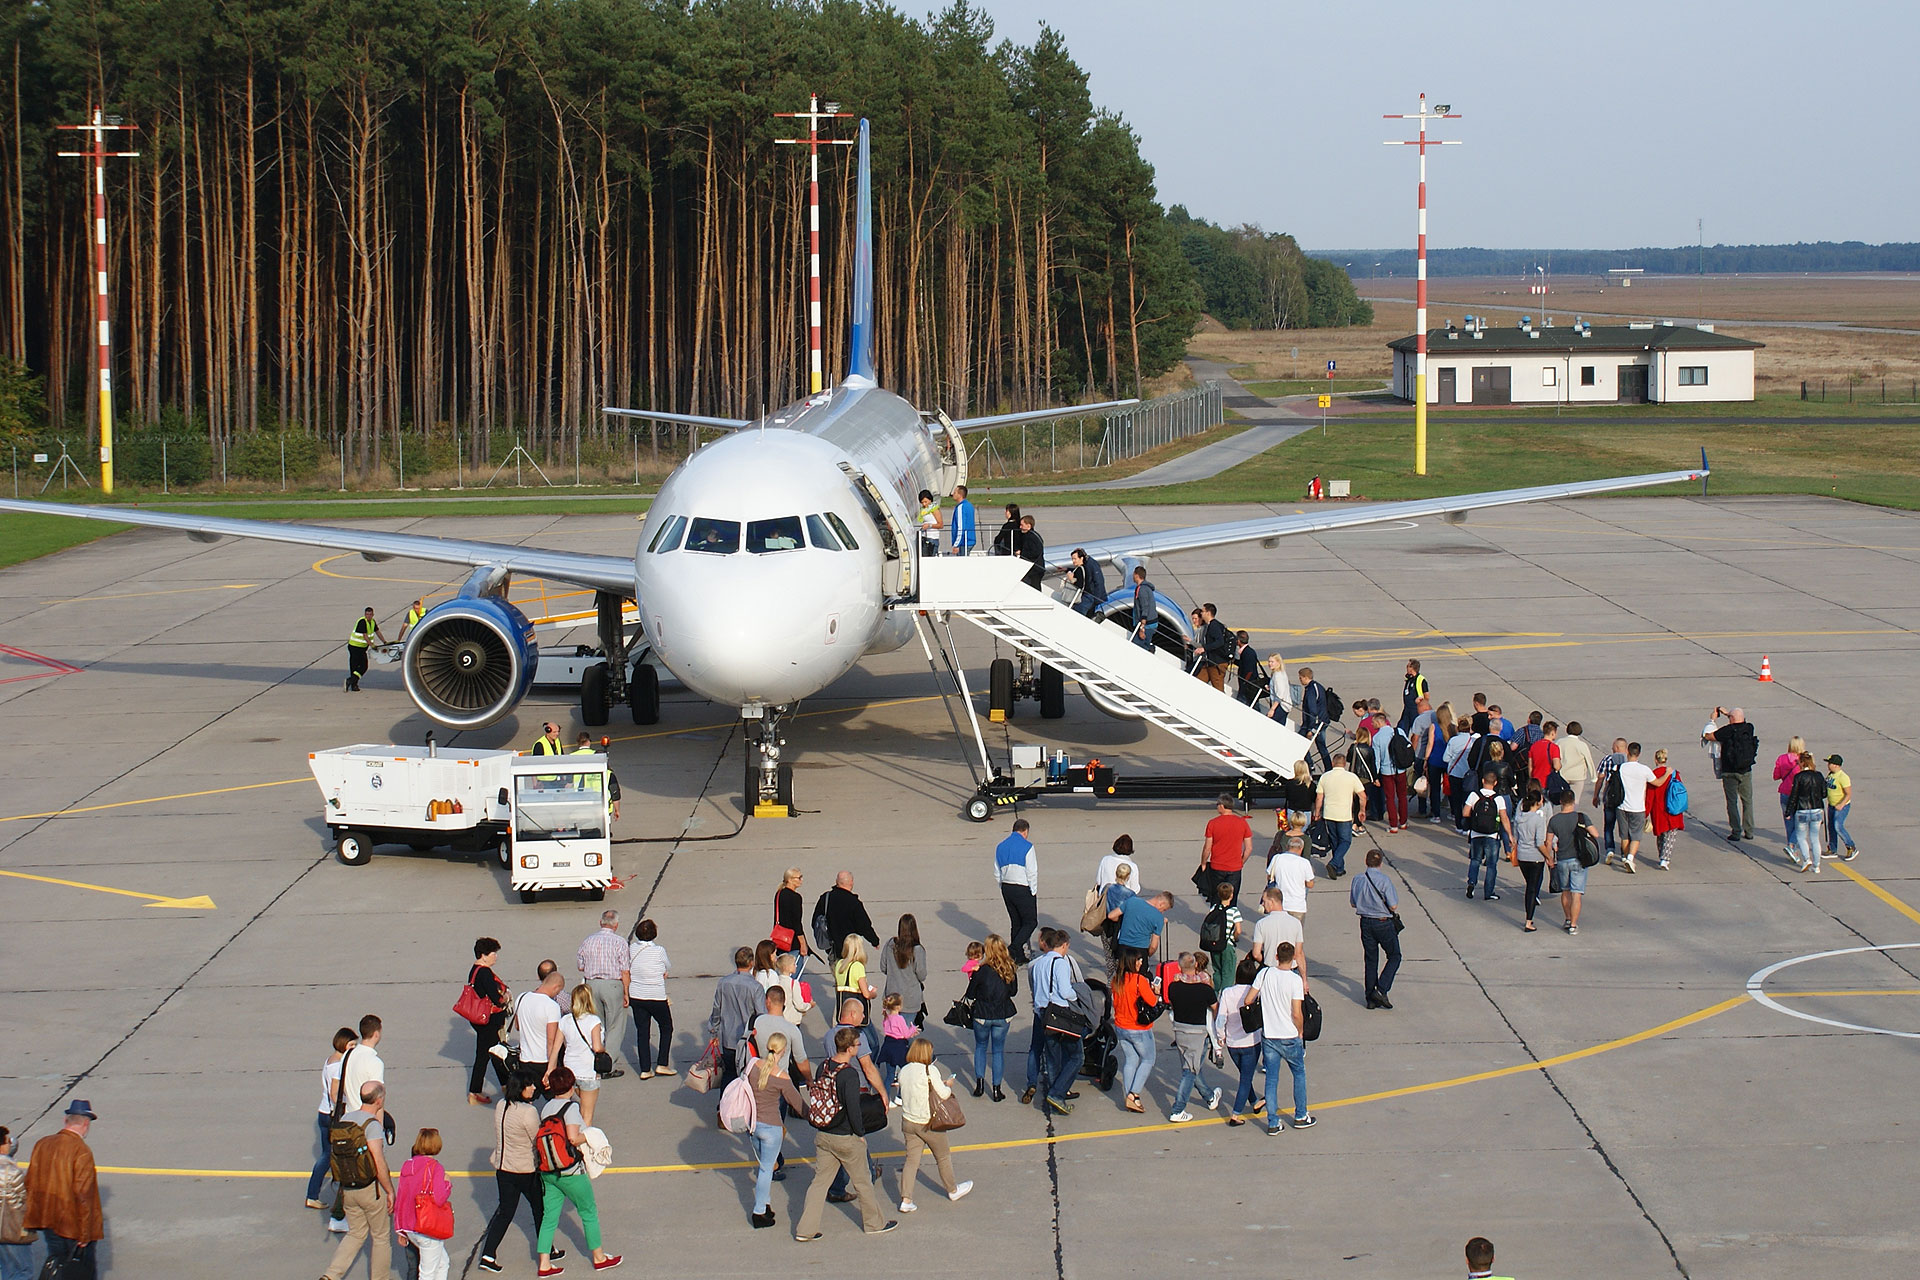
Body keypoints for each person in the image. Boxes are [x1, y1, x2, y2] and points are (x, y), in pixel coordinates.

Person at [793, 1028, 898, 1241]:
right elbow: (853, 1108)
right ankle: (874, 1223)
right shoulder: (848, 1074)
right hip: (844, 1136)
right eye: (857, 1046)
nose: (858, 1049)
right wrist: (859, 1134)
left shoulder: (823, 1066)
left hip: (824, 1134)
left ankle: (805, 1229)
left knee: (820, 1182)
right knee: (863, 1182)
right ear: (849, 1048)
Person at [533, 1068, 620, 1273]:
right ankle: (599, 1257)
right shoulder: (571, 1108)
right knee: (588, 1212)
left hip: (548, 1172)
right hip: (570, 1171)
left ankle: (544, 1263)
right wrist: (591, 1135)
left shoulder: (546, 1108)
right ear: (571, 1087)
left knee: (549, 1217)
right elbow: (573, 1138)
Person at [477, 1072, 558, 1274]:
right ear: (520, 1088)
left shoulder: (500, 1106)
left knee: (505, 1212)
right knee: (540, 1209)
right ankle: (546, 1250)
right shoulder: (528, 1112)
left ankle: (488, 1254)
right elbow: (536, 1139)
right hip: (525, 1170)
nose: (533, 1088)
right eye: (529, 1085)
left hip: (504, 1168)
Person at [321, 1083, 393, 1280]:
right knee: (380, 1237)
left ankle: (331, 1275)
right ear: (379, 1100)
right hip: (370, 1189)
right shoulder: (372, 1125)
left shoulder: (346, 1119)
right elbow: (378, 1161)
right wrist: (390, 1191)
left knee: (356, 1233)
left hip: (347, 1188)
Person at [23, 1101, 102, 1280]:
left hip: (48, 1221)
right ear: (86, 1123)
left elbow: (30, 1183)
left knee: (58, 1265)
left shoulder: (43, 1143)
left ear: (65, 1120)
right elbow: (83, 1195)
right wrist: (85, 1234)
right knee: (80, 1271)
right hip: (73, 1224)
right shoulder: (81, 1150)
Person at [896, 1039, 973, 1213]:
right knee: (943, 1157)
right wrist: (948, 1085)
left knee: (911, 1161)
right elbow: (944, 1095)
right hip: (928, 1123)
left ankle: (906, 1199)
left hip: (908, 1122)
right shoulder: (930, 1070)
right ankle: (952, 1190)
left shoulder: (904, 1070)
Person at [1244, 943, 1313, 1135]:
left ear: (1276, 956)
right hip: (1289, 1034)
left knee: (1271, 1080)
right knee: (1298, 1074)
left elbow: (1248, 1000)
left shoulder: (1265, 975)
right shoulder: (1294, 980)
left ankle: (1273, 1122)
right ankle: (1300, 1115)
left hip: (1270, 1035)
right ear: (1292, 960)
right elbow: (1297, 1012)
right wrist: (1300, 1031)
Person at [745, 1031, 809, 1230]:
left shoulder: (752, 1065)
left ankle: (765, 1205)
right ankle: (759, 1212)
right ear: (783, 1051)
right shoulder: (782, 1077)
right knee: (766, 1170)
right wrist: (815, 1117)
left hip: (752, 1126)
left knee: (764, 1167)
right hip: (771, 1128)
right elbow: (798, 1104)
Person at [1020, 929, 1083, 1115]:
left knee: (1052, 1056)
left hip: (1042, 1013)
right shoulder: (1061, 963)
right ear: (1063, 945)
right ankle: (1057, 1093)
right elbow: (1065, 991)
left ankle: (1055, 1094)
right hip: (1059, 1014)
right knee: (1076, 1056)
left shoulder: (1037, 963)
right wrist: (1076, 995)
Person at [1165, 951, 1223, 1122]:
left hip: (1180, 1031)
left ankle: (1210, 1097)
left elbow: (1172, 1004)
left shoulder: (1173, 987)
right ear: (1195, 965)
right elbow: (1215, 1007)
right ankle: (1178, 1109)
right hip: (1198, 1034)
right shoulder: (1204, 989)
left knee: (1191, 1068)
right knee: (1190, 1072)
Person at [576, 910, 630, 1078]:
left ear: (601, 922)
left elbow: (580, 966)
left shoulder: (588, 941)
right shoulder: (620, 942)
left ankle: (595, 1060)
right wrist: (626, 993)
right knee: (615, 1026)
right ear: (616, 925)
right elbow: (625, 971)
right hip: (612, 985)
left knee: (596, 1024)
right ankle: (609, 1065)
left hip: (591, 985)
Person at [308, 1026, 357, 1210]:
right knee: (330, 1156)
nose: (354, 1048)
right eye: (352, 1044)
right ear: (344, 1044)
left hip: (323, 1112)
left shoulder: (330, 1060)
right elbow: (335, 1092)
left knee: (327, 1154)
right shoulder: (339, 1065)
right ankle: (315, 1194)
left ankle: (316, 1193)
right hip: (332, 1115)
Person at [394, 1129, 453, 1280]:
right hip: (426, 1227)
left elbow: (401, 1198)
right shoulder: (436, 1167)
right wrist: (447, 1183)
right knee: (428, 1272)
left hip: (409, 1227)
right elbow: (439, 1198)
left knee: (442, 1263)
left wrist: (400, 1230)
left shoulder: (407, 1165)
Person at [1215, 955, 1264, 1125]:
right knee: (1245, 1078)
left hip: (1233, 1043)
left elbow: (1221, 1018)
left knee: (1245, 1075)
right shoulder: (1255, 992)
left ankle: (1255, 1101)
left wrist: (1220, 1037)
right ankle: (1235, 1114)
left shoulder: (1227, 992)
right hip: (1251, 1042)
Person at [1350, 850, 1402, 1007]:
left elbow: (1353, 903)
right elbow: (1393, 905)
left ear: (1366, 862)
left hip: (1366, 922)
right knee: (1394, 955)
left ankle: (1370, 998)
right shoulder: (1384, 880)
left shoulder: (1358, 879)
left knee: (1371, 959)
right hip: (1383, 922)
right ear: (1381, 863)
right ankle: (1381, 989)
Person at [1111, 953, 1158, 1114]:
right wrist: (1155, 991)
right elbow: (1152, 1001)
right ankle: (1134, 1094)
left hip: (1121, 1026)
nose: (1140, 962)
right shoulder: (1139, 980)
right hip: (1138, 1028)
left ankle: (1128, 1096)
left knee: (1131, 1060)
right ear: (1132, 962)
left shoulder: (1116, 980)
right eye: (1138, 960)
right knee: (1148, 1059)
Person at [626, 919, 674, 1079]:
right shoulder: (659, 950)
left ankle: (645, 1069)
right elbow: (667, 966)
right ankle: (662, 1063)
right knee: (666, 1027)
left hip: (637, 995)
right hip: (656, 995)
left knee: (642, 1032)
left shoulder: (632, 948)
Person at [1704, 707, 1759, 842]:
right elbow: (1739, 719)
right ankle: (1749, 830)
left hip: (1729, 772)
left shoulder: (1727, 731)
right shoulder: (1749, 728)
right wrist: (1730, 713)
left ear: (1731, 719)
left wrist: (1712, 719)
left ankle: (1736, 831)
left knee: (1732, 802)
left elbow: (1708, 736)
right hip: (1746, 771)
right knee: (1747, 801)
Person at [711, 946, 764, 1086]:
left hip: (728, 1038)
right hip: (747, 1040)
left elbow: (716, 1009)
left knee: (728, 1074)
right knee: (747, 1077)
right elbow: (761, 1015)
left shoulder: (724, 982)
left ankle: (724, 1105)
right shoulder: (755, 987)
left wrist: (714, 1031)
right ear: (751, 963)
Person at [467, 939, 510, 1106]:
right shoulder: (484, 972)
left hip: (480, 1020)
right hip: (488, 1021)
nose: (496, 957)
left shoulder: (475, 970)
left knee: (493, 1052)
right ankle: (475, 1091)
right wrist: (505, 997)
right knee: (487, 1055)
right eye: (493, 953)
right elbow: (496, 998)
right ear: (484, 955)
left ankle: (505, 1083)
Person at [1545, 790, 1595, 935]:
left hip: (1562, 859)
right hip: (1578, 860)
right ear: (1573, 802)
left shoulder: (1554, 820)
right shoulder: (1581, 817)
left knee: (1565, 891)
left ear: (1561, 802)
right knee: (1576, 893)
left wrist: (1548, 858)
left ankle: (1567, 919)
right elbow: (1595, 833)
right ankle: (1573, 924)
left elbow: (1548, 841)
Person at [1312, 752, 1366, 879]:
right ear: (1345, 764)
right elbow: (1362, 796)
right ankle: (1334, 863)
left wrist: (1317, 812)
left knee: (1335, 841)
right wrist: (1361, 810)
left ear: (1332, 763)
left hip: (1329, 814)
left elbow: (1319, 798)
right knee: (1346, 841)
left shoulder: (1325, 777)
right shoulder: (1351, 777)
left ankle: (1339, 868)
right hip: (1344, 815)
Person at [560, 984, 609, 1126]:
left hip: (570, 1068)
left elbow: (559, 1045)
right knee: (586, 1113)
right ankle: (582, 1143)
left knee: (576, 1107)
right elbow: (597, 1047)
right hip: (588, 1070)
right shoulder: (593, 1021)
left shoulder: (565, 1020)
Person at [994, 818, 1040, 963]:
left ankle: (1018, 957)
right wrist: (1033, 890)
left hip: (1007, 887)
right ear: (1025, 831)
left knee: (1016, 922)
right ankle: (1013, 948)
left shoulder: (1000, 846)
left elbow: (996, 871)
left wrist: (1002, 886)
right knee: (1030, 922)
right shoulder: (1027, 846)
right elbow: (1032, 871)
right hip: (1022, 887)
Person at [1464, 769, 1512, 901]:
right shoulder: (1498, 799)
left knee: (1475, 860)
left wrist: (1475, 819)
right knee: (1491, 865)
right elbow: (1504, 818)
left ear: (1483, 781)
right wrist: (1510, 836)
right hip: (1492, 835)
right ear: (1495, 783)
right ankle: (1488, 892)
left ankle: (1471, 883)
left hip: (1476, 834)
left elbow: (1465, 812)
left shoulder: (1474, 795)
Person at [515, 964, 566, 1087]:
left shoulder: (521, 997)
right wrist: (551, 1067)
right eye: (558, 991)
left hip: (525, 1058)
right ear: (555, 987)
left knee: (528, 1096)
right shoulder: (551, 1006)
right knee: (555, 1097)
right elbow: (551, 1040)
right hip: (543, 1060)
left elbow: (518, 1026)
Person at [1611, 742, 1657, 874]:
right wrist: (1667, 774)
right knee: (1636, 835)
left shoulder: (1620, 768)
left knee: (1624, 835)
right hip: (1637, 807)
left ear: (1627, 752)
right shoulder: (1644, 769)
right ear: (1639, 754)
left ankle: (1625, 857)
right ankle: (1630, 858)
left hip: (1622, 806)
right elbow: (1656, 783)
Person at [1199, 794, 1254, 904]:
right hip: (1235, 867)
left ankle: (1216, 919)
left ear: (1222, 806)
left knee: (1216, 897)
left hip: (1217, 866)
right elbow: (1249, 848)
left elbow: (1207, 848)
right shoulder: (1242, 822)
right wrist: (1241, 861)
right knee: (1232, 899)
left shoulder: (1213, 823)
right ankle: (1231, 918)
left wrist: (1203, 862)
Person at [1511, 783, 1550, 930]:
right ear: (1538, 802)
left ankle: (1529, 917)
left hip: (1522, 855)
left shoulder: (1520, 818)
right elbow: (1540, 843)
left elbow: (1516, 836)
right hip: (1535, 857)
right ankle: (1529, 920)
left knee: (1529, 884)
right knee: (1532, 888)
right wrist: (1548, 856)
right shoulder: (1538, 820)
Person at [1248, 886, 1307, 984]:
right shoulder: (1295, 923)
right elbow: (1299, 954)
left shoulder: (1261, 924)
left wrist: (1267, 959)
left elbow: (1256, 953)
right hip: (1291, 970)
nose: (1263, 904)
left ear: (1271, 902)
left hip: (1270, 970)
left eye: (1264, 901)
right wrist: (1304, 979)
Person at [877, 914, 928, 1025]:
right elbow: (922, 975)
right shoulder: (917, 950)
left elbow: (883, 967)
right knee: (907, 1032)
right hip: (910, 998)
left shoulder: (890, 944)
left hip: (892, 996)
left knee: (893, 1031)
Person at [1787, 750, 1829, 873]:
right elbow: (1824, 793)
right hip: (1816, 809)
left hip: (1802, 810)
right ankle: (1816, 865)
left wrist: (1788, 811)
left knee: (1801, 837)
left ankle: (1806, 859)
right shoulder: (1819, 775)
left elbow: (1793, 796)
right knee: (1815, 838)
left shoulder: (1799, 777)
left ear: (1801, 762)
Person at [824, 870, 880, 960]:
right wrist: (874, 941)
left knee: (838, 972)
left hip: (832, 947)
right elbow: (864, 926)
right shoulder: (854, 903)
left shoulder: (826, 898)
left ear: (836, 882)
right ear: (851, 883)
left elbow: (816, 920)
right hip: (850, 949)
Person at [0, 1127, 32, 1280]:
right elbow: (24, 1199)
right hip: (10, 1229)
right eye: (7, 1141)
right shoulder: (11, 1171)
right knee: (22, 1272)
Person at [1204, 877, 1245, 992]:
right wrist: (1235, 938)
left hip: (1215, 943)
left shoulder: (1214, 908)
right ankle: (1226, 996)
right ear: (1231, 895)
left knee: (1217, 971)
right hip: (1227, 945)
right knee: (1228, 973)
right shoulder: (1234, 911)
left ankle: (1216, 994)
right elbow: (1238, 930)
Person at [1646, 749, 1685, 871]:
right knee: (1670, 835)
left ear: (1655, 760)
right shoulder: (1674, 774)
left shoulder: (1653, 775)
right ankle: (1665, 859)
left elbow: (1649, 796)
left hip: (1658, 810)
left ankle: (1662, 856)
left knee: (1661, 835)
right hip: (1673, 807)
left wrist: (1645, 812)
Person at [1113, 889, 1173, 967]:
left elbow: (1112, 916)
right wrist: (1147, 955)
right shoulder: (1159, 918)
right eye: (1164, 909)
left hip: (1123, 948)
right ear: (1161, 904)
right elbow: (1153, 946)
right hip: (1140, 951)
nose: (1162, 912)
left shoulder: (1132, 901)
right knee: (1140, 978)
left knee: (1122, 976)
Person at [1267, 832, 1314, 929]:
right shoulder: (1304, 863)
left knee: (1279, 933)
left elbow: (1269, 876)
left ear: (1288, 846)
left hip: (1280, 904)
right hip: (1297, 905)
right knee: (1295, 935)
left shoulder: (1277, 858)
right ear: (1301, 849)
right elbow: (1310, 884)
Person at [1374, 714, 1411, 833]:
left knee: (1390, 798)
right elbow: (1407, 745)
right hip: (1400, 768)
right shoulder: (1398, 731)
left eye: (1374, 723)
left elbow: (1377, 759)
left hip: (1386, 771)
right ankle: (1403, 822)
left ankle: (1393, 825)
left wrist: (1375, 775)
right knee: (1402, 796)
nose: (1372, 725)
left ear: (1379, 723)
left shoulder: (1377, 737)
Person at [1774, 734, 1810, 858]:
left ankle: (1792, 850)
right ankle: (1792, 846)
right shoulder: (1804, 760)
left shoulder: (1781, 758)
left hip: (1784, 793)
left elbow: (1776, 776)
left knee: (1789, 823)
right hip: (1799, 795)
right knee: (1801, 824)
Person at [874, 993, 915, 1096]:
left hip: (888, 1045)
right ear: (898, 1006)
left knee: (890, 1075)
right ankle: (900, 1096)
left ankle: (886, 1097)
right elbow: (906, 1034)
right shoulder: (899, 1019)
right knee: (905, 1072)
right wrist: (913, 1029)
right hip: (899, 1046)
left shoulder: (887, 1017)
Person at [345, 605, 387, 692]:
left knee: (362, 666)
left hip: (362, 648)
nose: (368, 616)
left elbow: (377, 631)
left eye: (370, 614)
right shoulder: (362, 622)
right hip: (354, 647)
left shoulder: (372, 622)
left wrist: (384, 642)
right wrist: (372, 645)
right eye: (367, 614)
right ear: (365, 614)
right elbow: (365, 636)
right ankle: (353, 684)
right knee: (357, 666)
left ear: (373, 615)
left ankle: (352, 681)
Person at [833, 936, 879, 1015]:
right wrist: (873, 993)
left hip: (844, 1006)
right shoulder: (857, 966)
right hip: (856, 1008)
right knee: (867, 1026)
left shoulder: (839, 964)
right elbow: (866, 994)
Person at [1558, 719, 1599, 806]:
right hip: (1578, 776)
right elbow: (1589, 760)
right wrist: (1593, 777)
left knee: (1563, 800)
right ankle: (1572, 816)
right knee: (1575, 801)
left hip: (1563, 775)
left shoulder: (1560, 742)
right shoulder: (1581, 745)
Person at [1825, 754, 1858, 861]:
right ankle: (1833, 849)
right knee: (1831, 827)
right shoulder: (1830, 775)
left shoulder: (1843, 777)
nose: (1828, 765)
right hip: (1831, 805)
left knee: (1838, 826)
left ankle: (1851, 847)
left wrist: (1841, 804)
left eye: (1829, 763)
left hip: (1841, 806)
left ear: (1835, 765)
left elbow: (1848, 793)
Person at [1195, 604, 1232, 690]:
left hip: (1217, 663)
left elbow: (1220, 642)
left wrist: (1204, 648)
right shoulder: (1211, 625)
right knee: (1198, 682)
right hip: (1209, 662)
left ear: (1208, 613)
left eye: (1203, 611)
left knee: (1218, 688)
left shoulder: (1214, 626)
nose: (1201, 613)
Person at [1068, 547, 1106, 616]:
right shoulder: (1086, 565)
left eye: (1075, 559)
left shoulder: (1090, 566)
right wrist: (1066, 569)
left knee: (1079, 615)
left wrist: (1071, 580)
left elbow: (1097, 582)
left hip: (1090, 596)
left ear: (1081, 558)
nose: (1073, 561)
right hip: (1091, 596)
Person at [1129, 566, 1158, 650]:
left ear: (1137, 575)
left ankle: (1150, 649)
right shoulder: (1146, 588)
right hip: (1150, 624)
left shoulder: (1142, 590)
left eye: (1133, 574)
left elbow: (1145, 607)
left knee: (1137, 646)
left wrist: (1142, 628)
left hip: (1147, 625)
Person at [1234, 631, 1264, 705]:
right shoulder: (1247, 651)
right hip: (1249, 685)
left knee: (1245, 704)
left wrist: (1245, 682)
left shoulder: (1247, 653)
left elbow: (1249, 671)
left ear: (1238, 641)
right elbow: (1243, 665)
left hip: (1249, 686)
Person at [1399, 658, 1429, 730]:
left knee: (1416, 729)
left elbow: (1427, 696)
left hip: (1415, 709)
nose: (1406, 668)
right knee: (1401, 728)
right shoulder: (1409, 679)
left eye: (1408, 666)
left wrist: (1421, 701)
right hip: (1407, 708)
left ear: (1412, 668)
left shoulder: (1421, 680)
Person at [1017, 514, 1045, 589]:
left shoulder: (1030, 537)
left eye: (1022, 525)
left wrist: (1021, 553)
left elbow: (1035, 552)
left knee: (1034, 588)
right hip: (1037, 568)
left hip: (1035, 570)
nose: (1020, 527)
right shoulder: (1035, 535)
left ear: (1028, 526)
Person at [1295, 665, 1325, 736]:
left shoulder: (1310, 690)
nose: (1300, 680)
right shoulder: (1316, 686)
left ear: (1305, 677)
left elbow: (1312, 710)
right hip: (1321, 720)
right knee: (1320, 743)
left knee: (1300, 738)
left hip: (1315, 722)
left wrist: (1311, 729)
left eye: (1300, 678)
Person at [948, 483, 976, 555]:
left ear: (960, 495)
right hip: (969, 540)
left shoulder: (961, 507)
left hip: (964, 542)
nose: (953, 494)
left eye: (955, 493)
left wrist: (956, 544)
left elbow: (961, 527)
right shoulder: (969, 505)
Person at [916, 489, 941, 556]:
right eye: (922, 502)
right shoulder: (923, 510)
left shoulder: (935, 509)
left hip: (932, 538)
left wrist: (929, 525)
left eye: (926, 502)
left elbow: (940, 525)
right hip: (924, 537)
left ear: (930, 500)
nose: (924, 504)